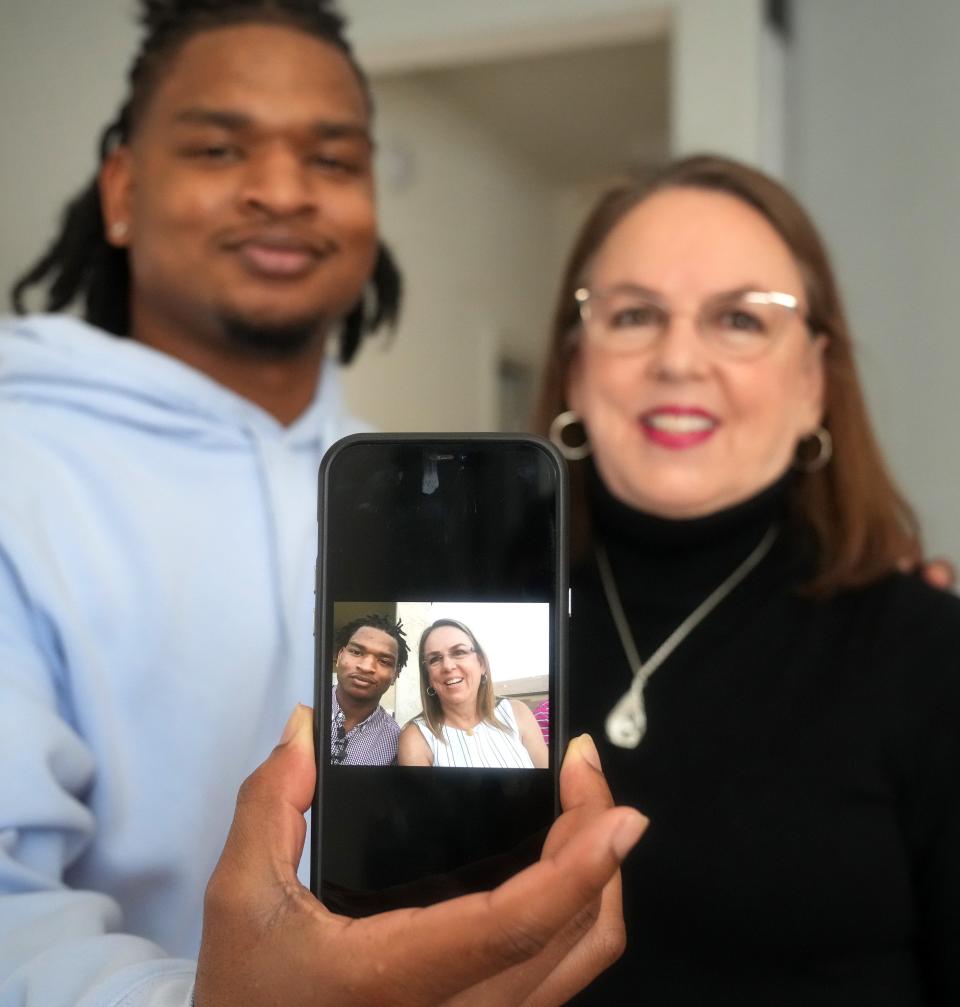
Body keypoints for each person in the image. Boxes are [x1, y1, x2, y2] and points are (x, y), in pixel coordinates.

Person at [0, 2, 647, 1004]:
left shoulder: (377, 488)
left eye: (334, 161)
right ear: (122, 191)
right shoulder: (22, 465)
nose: (281, 191)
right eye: (220, 148)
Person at [535, 154, 960, 1005]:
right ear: (577, 368)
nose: (679, 359)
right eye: (633, 315)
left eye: (738, 319)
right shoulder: (469, 627)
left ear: (813, 382)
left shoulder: (929, 652)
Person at [397, 619, 549, 768]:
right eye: (435, 659)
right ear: (428, 676)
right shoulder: (415, 738)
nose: (448, 666)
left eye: (459, 652)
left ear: (481, 663)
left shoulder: (517, 713)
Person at [330, 614, 408, 765]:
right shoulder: (305, 709)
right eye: (356, 652)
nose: (366, 667)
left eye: (384, 661)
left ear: (395, 675)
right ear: (339, 656)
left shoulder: (396, 744)